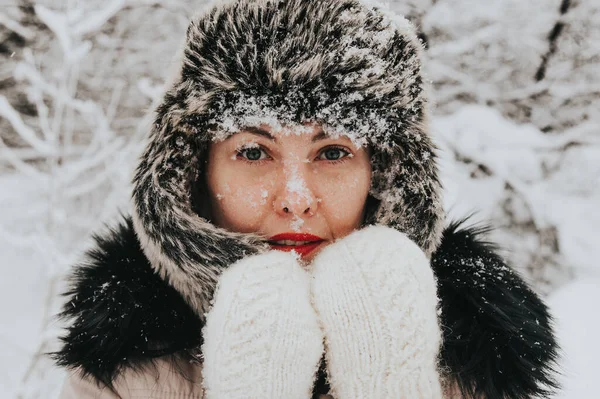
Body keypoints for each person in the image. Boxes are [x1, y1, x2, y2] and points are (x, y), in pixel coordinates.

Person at [54, 0, 559, 398]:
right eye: (253, 152)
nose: (296, 199)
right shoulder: (121, 368)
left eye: (333, 152)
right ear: (193, 174)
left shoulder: (482, 361)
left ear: (383, 176)